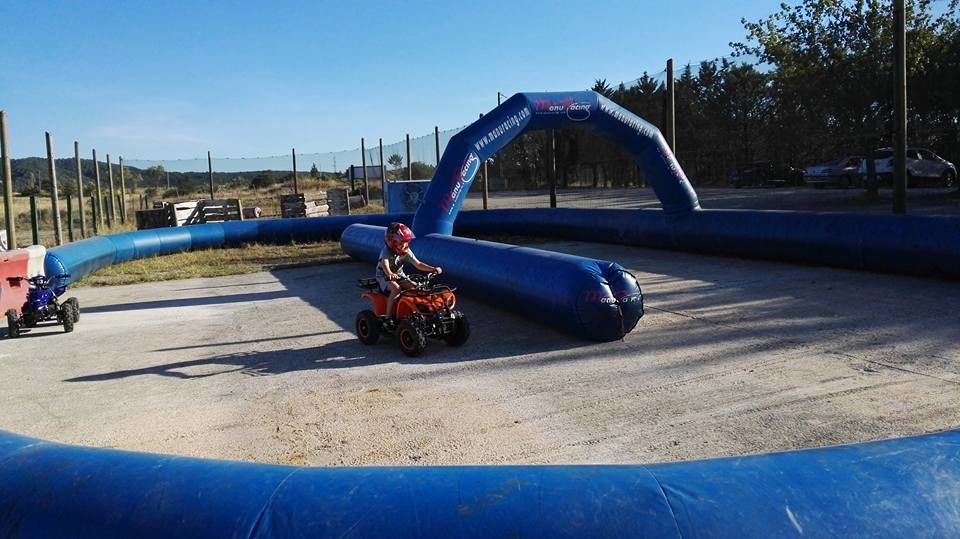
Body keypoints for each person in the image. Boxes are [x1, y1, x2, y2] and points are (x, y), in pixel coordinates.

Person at [376, 222, 442, 321]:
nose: (405, 245)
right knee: (396, 289)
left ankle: (418, 312)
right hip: (384, 277)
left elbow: (418, 264)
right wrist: (390, 273)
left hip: (400, 276)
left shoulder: (405, 251)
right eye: (402, 242)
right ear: (392, 241)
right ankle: (388, 317)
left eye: (407, 242)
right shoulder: (386, 252)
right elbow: (385, 265)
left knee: (416, 288)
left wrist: (433, 269)